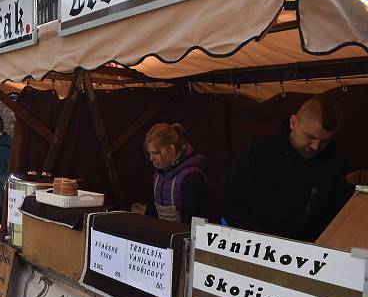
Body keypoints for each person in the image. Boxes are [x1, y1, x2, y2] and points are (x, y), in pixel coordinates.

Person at [219, 95, 354, 242]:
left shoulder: (337, 169)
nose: (316, 146)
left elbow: (339, 222)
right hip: (250, 246)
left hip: (305, 255)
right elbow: (229, 200)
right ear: (293, 122)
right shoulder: (257, 152)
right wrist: (260, 237)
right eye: (309, 137)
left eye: (325, 141)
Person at [142, 123, 208, 224]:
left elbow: (191, 221)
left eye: (155, 153)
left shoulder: (192, 177)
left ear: (171, 149)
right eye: (150, 153)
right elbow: (151, 212)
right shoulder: (158, 175)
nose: (151, 158)